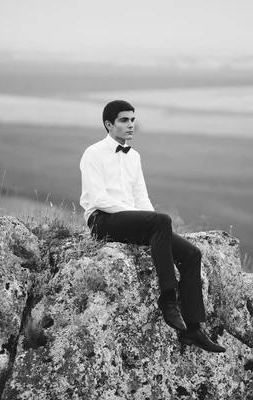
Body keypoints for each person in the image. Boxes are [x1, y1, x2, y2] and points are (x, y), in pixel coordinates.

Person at [79, 100, 225, 353]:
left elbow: (142, 197)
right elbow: (99, 199)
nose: (131, 125)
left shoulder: (134, 157)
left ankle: (193, 330)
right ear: (108, 124)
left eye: (132, 120)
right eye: (124, 120)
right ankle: (168, 299)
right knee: (161, 221)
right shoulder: (93, 153)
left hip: (130, 219)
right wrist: (147, 220)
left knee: (191, 255)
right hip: (102, 220)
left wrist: (149, 221)